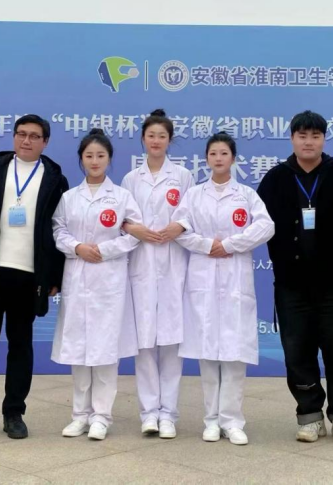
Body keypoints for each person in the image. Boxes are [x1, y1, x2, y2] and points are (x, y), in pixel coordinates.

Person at [257, 110, 333, 446]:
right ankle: (309, 416)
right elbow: (260, 222)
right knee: (297, 352)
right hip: (291, 284)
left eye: (315, 136)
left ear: (323, 139)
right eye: (302, 135)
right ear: (292, 138)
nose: (308, 142)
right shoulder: (276, 178)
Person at [0, 114, 69, 441]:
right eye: (21, 134)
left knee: (21, 347)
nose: (26, 140)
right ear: (14, 137)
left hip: (29, 276)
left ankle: (14, 413)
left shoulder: (55, 179)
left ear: (45, 142)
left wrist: (55, 276)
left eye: (34, 136)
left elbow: (59, 231)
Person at [172, 132, 275, 445]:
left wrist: (229, 245)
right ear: (206, 159)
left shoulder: (246, 195)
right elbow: (179, 230)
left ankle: (232, 421)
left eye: (224, 153)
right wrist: (207, 245)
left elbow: (266, 226)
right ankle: (211, 420)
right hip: (203, 278)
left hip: (234, 279)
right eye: (213, 153)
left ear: (233, 158)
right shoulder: (194, 195)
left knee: (233, 354)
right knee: (207, 354)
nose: (218, 158)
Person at [51, 128, 142, 441]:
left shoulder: (121, 197)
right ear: (81, 159)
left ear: (109, 159)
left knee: (105, 352)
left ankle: (102, 416)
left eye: (100, 155)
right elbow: (58, 230)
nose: (94, 161)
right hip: (78, 276)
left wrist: (104, 250)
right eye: (89, 155)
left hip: (108, 279)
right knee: (79, 351)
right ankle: (80, 415)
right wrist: (77, 248)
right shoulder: (69, 198)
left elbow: (134, 234)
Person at [121, 109, 194, 439]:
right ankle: (149, 413)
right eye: (151, 135)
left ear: (169, 140)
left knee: (171, 343)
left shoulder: (183, 176)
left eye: (162, 136)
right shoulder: (130, 179)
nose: (156, 141)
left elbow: (191, 213)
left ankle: (169, 415)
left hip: (173, 264)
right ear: (143, 139)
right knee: (145, 343)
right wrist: (134, 228)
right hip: (141, 264)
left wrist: (179, 226)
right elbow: (121, 218)